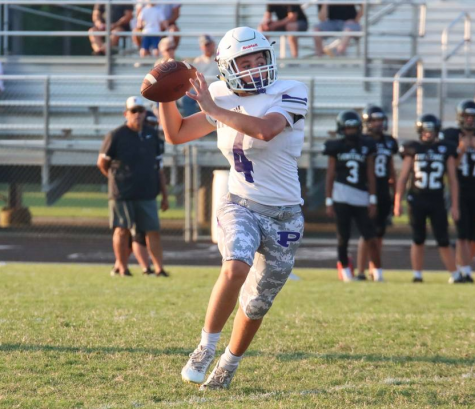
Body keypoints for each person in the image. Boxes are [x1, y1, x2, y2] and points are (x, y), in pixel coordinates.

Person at [159, 26, 308, 389]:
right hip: (240, 201)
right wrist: (165, 95)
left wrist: (211, 107)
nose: (256, 66)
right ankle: (205, 347)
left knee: (257, 303)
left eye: (260, 59)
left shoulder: (290, 89)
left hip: (286, 214)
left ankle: (228, 364)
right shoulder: (221, 94)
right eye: (246, 61)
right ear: (228, 66)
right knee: (236, 264)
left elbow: (266, 130)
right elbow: (176, 134)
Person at [97, 96, 170, 278]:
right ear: (126, 114)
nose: (137, 115)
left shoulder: (152, 136)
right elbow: (102, 163)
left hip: (147, 192)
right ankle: (122, 267)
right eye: (133, 111)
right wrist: (116, 179)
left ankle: (159, 268)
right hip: (122, 192)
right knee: (121, 230)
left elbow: (158, 168)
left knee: (153, 230)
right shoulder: (116, 135)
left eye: (140, 111)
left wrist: (164, 194)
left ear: (145, 113)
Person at [394, 114, 464, 284]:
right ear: (420, 131)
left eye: (431, 131)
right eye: (425, 131)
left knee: (443, 239)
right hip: (417, 199)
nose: (428, 134)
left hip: (437, 199)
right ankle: (417, 275)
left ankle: (454, 275)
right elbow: (403, 177)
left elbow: (453, 180)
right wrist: (397, 201)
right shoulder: (413, 148)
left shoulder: (445, 149)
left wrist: (455, 205)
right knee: (418, 238)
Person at [323, 110, 384, 282]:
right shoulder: (336, 146)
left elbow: (371, 174)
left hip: (361, 196)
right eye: (347, 128)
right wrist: (328, 200)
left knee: (371, 236)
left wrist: (373, 198)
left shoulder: (367, 145)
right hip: (341, 195)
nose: (350, 131)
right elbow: (330, 174)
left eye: (353, 127)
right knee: (343, 237)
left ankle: (378, 272)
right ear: (342, 128)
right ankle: (346, 274)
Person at [356, 105, 398, 280]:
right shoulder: (362, 141)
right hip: (367, 190)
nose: (378, 124)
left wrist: (395, 193)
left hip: (383, 190)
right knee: (367, 233)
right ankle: (360, 271)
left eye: (380, 120)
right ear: (367, 122)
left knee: (379, 233)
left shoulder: (389, 142)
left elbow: (390, 168)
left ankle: (375, 268)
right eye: (374, 120)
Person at [441, 100, 475, 283]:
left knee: (472, 236)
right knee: (462, 234)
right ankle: (464, 270)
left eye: (473, 117)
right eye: (466, 116)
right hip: (460, 190)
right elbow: (450, 167)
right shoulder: (451, 136)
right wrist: (461, 150)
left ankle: (466, 265)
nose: (470, 120)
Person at [182, 35, 220, 116]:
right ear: (201, 47)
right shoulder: (198, 61)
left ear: (214, 44)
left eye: (210, 44)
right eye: (206, 45)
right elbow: (195, 78)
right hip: (202, 88)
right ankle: (192, 123)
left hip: (217, 87)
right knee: (187, 99)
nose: (208, 47)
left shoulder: (220, 58)